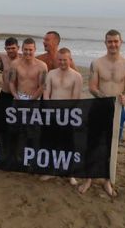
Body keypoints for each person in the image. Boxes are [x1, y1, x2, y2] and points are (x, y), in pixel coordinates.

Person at [79, 29, 125, 196]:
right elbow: (92, 87)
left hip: (118, 110)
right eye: (110, 41)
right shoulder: (97, 63)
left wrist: (124, 97)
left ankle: (107, 181)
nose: (113, 44)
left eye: (116, 41)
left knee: (112, 146)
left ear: (121, 42)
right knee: (93, 143)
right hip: (98, 108)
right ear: (105, 43)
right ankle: (88, 178)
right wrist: (105, 99)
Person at [42, 47, 83, 184]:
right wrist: (49, 110)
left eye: (65, 60)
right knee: (51, 143)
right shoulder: (51, 74)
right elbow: (46, 93)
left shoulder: (77, 76)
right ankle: (51, 170)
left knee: (68, 145)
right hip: (52, 114)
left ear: (70, 60)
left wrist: (64, 113)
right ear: (56, 60)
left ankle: (69, 173)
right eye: (59, 60)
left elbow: (75, 98)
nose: (62, 62)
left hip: (68, 115)